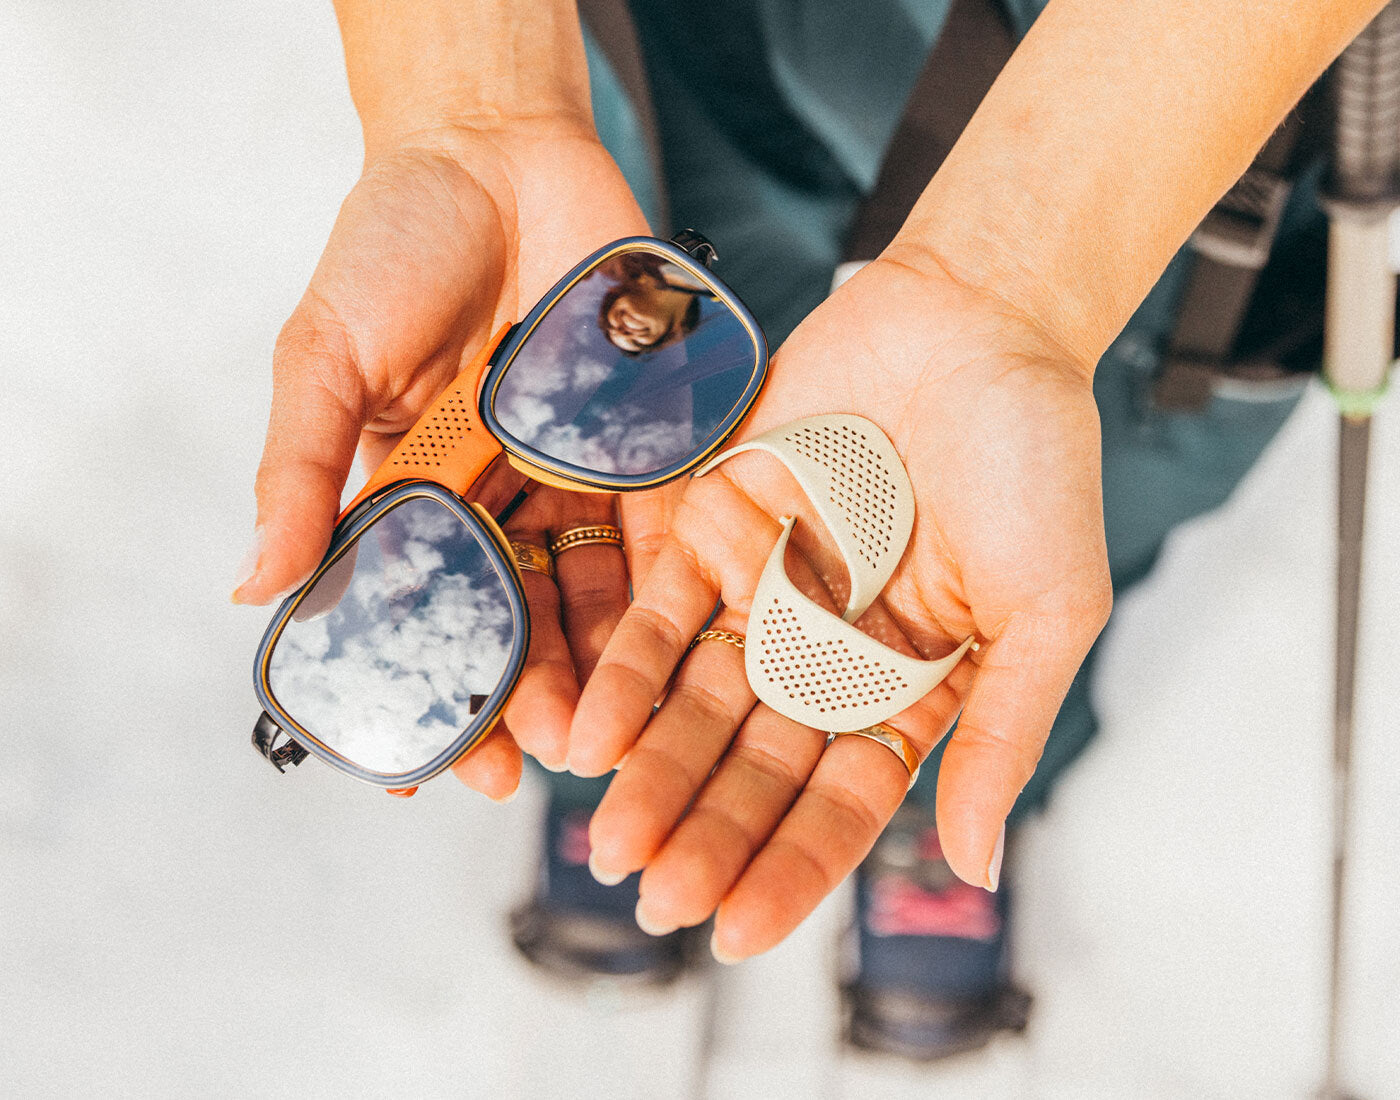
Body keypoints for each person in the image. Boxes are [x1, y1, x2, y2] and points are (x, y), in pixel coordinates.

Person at [231, 0, 1385, 1060]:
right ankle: (600, 740)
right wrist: (475, 91)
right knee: (645, 400)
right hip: (672, 51)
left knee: (1042, 503)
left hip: (1183, 83)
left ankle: (914, 793)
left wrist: (1017, 281)